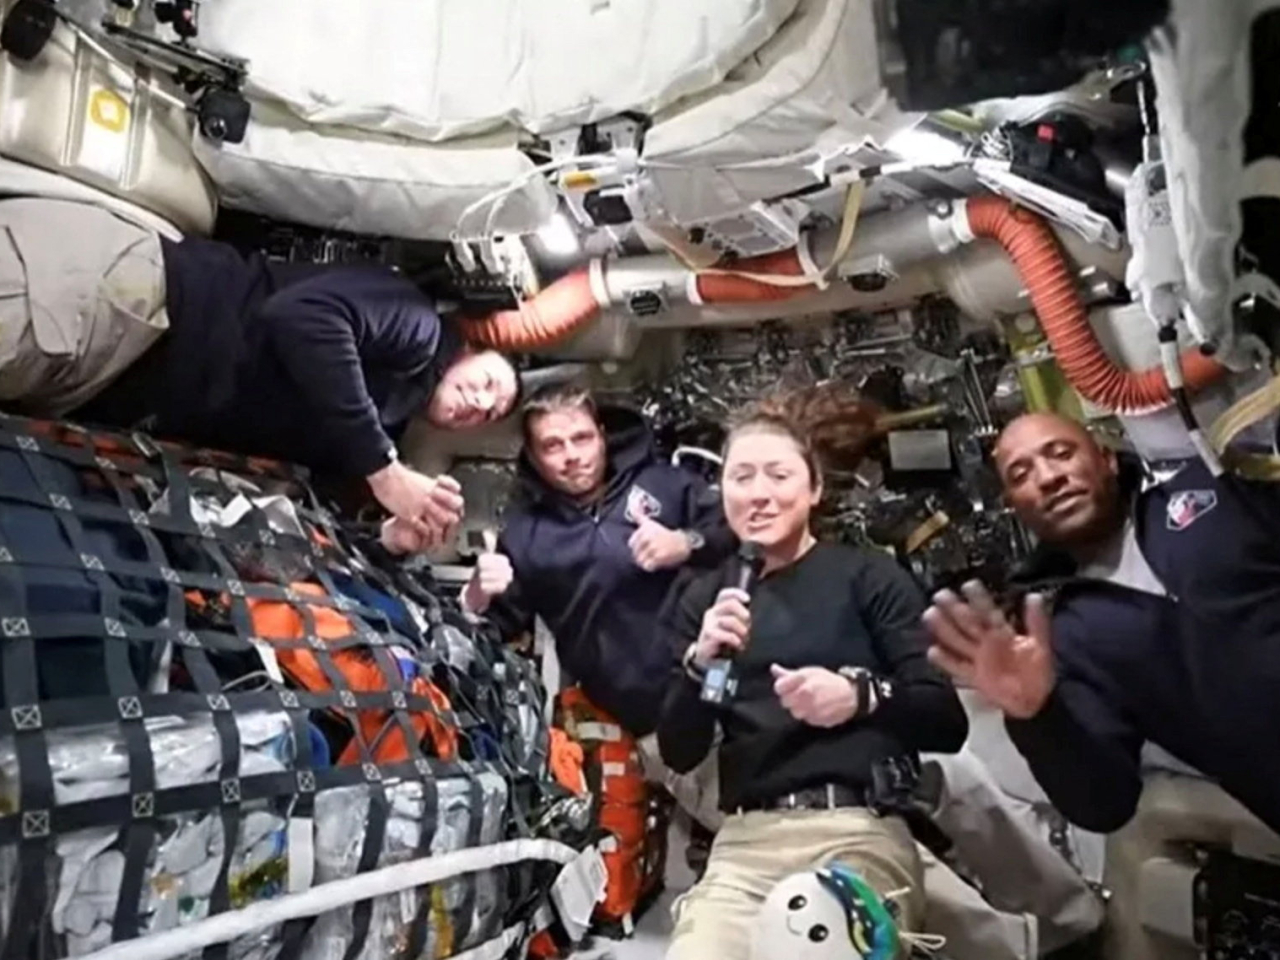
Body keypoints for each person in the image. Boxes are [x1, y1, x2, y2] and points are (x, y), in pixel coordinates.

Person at [0, 197, 520, 544]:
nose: (480, 403)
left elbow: (297, 506)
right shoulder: (418, 327)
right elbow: (301, 318)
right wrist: (384, 471)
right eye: (489, 383)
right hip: (125, 302)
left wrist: (387, 537)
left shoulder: (372, 428)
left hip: (111, 382)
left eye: (489, 413)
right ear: (470, 350)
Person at [655, 393, 968, 960]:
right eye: (741, 477)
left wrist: (861, 696)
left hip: (858, 830)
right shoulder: (703, 600)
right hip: (746, 842)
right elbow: (680, 750)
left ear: (814, 489)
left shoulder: (869, 578)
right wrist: (701, 665)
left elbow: (946, 719)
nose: (759, 493)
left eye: (778, 474)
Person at [923, 411, 1280, 835]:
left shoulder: (1205, 492)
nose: (1048, 477)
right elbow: (1104, 804)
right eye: (1021, 475)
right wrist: (1035, 716)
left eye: (1060, 453)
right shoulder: (1061, 634)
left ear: (1107, 459)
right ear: (1015, 506)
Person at [460, 384, 736, 828]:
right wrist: (476, 595)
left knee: (800, 810)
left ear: (602, 435)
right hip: (658, 722)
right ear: (531, 455)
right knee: (740, 829)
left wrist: (685, 542)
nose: (571, 455)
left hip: (734, 683)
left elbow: (739, 531)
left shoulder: (663, 483)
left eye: (582, 438)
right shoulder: (525, 536)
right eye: (552, 445)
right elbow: (495, 631)